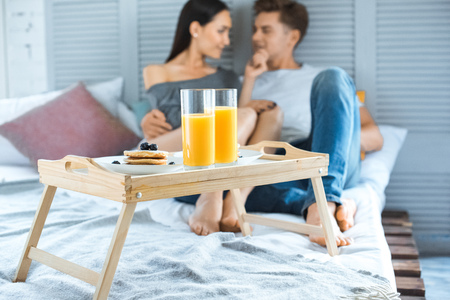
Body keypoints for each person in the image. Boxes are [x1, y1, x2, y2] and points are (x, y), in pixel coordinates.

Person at [222, 0, 384, 247]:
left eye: (266, 30)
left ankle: (323, 203)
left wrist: (330, 139)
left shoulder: (320, 80)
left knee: (334, 75)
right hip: (274, 166)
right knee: (205, 189)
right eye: (255, 29)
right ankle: (332, 204)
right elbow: (237, 137)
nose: (256, 37)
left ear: (292, 37)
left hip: (325, 159)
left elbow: (376, 137)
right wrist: (251, 81)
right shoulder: (249, 79)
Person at [140, 0, 284, 236]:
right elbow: (162, 123)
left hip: (217, 151)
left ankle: (234, 202)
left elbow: (235, 124)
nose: (226, 41)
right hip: (177, 150)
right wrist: (145, 123)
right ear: (196, 29)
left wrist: (249, 79)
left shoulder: (226, 77)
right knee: (241, 114)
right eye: (221, 30)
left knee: (272, 112)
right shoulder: (156, 71)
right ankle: (211, 193)